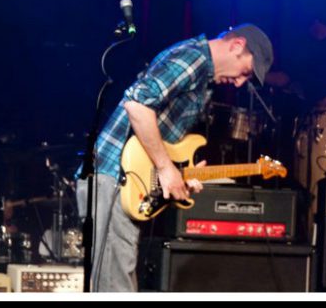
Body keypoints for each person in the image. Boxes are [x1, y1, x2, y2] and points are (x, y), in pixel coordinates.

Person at [76, 23, 273, 292]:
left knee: (118, 280)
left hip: (129, 180)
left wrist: (181, 173)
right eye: (245, 72)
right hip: (112, 174)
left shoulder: (204, 80)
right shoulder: (194, 58)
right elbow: (137, 103)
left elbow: (163, 139)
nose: (239, 82)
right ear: (237, 45)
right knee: (113, 284)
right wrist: (167, 169)